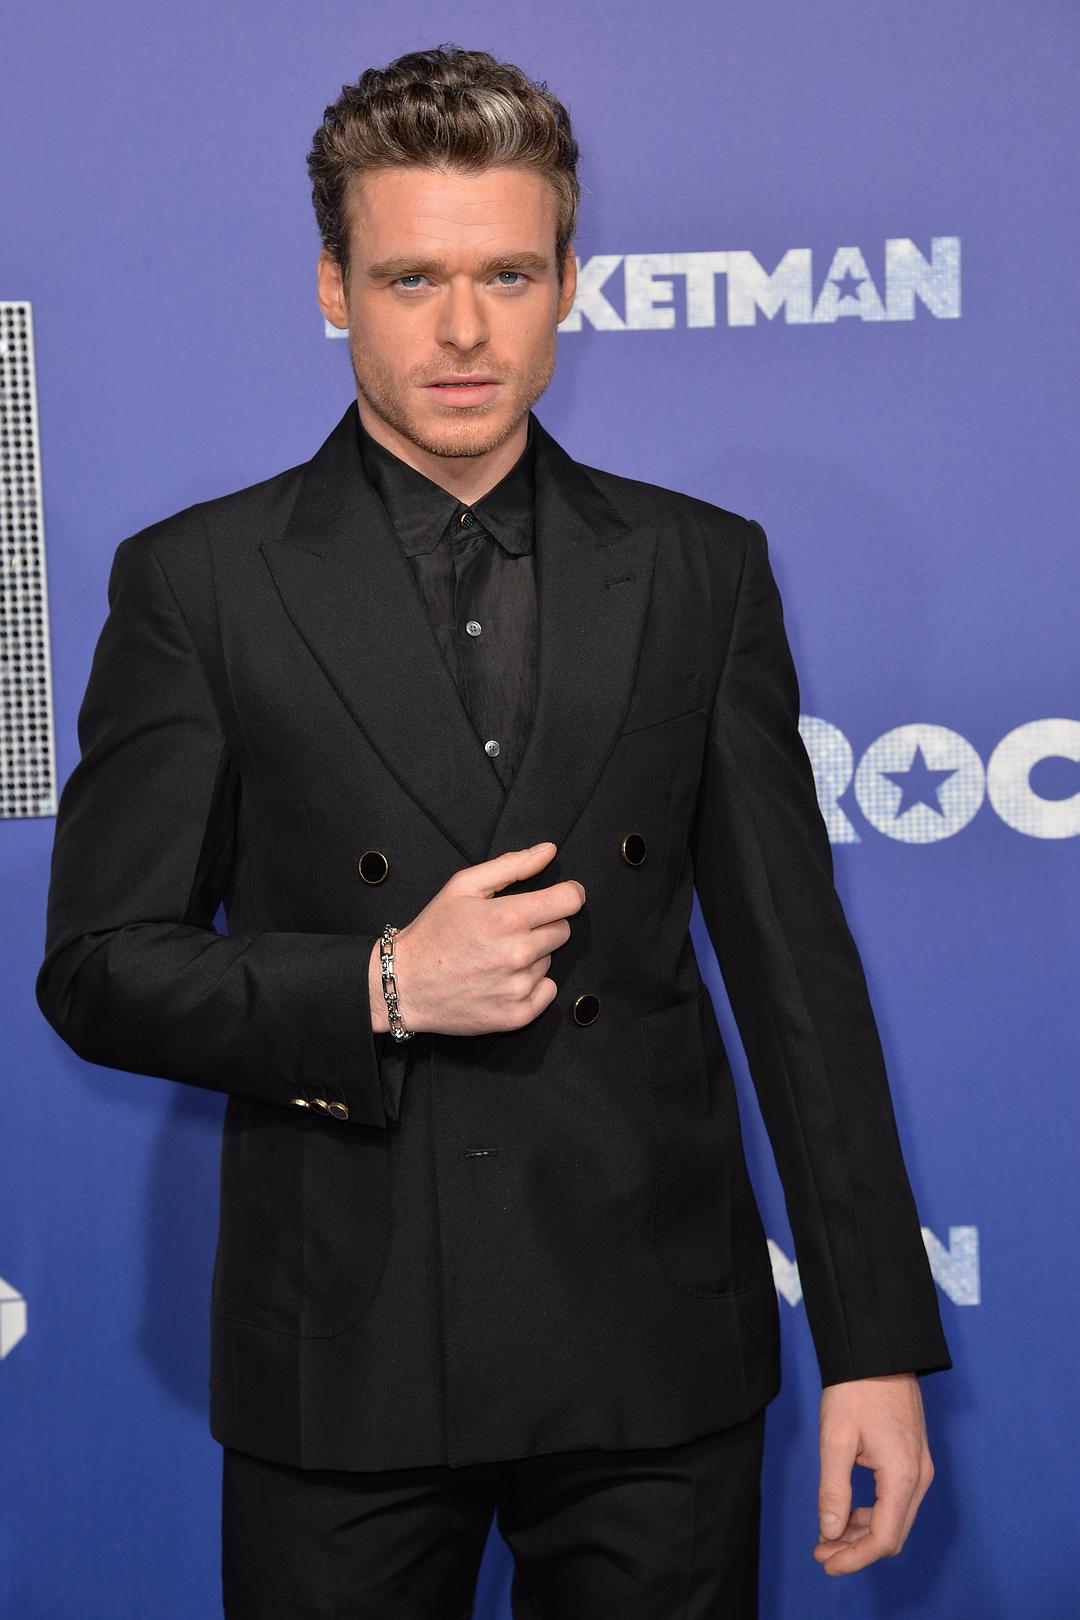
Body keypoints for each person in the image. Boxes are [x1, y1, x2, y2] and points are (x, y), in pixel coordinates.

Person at [36, 44, 952, 1620]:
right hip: (350, 1352)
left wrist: (871, 1345)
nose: (462, 330)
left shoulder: (700, 571)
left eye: (506, 275)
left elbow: (798, 982)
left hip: (654, 1356)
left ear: (568, 285)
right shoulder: (200, 584)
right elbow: (100, 968)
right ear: (335, 290)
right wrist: (385, 984)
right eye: (411, 278)